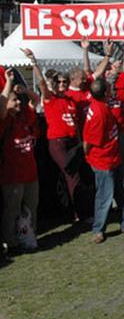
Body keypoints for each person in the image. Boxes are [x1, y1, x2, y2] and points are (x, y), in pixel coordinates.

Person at [21, 48, 87, 222]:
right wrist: (34, 62)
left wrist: (80, 141)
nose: (63, 84)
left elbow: (75, 123)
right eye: (60, 82)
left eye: (65, 81)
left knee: (72, 177)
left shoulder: (70, 101)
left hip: (73, 141)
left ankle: (75, 211)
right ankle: (78, 213)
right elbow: (42, 84)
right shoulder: (50, 99)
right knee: (71, 174)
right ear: (55, 84)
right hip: (57, 142)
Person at [84, 78, 124, 243]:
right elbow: (88, 142)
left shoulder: (101, 106)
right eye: (110, 89)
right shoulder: (99, 114)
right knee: (105, 196)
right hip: (103, 161)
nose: (112, 91)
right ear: (104, 93)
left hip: (114, 157)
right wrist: (89, 158)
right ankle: (98, 229)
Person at [0, 73, 40, 251]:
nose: (17, 103)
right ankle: (11, 242)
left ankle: (30, 237)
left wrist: (24, 90)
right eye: (13, 101)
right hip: (12, 176)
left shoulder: (25, 116)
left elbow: (36, 99)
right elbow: (1, 109)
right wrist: (8, 83)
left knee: (31, 208)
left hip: (30, 173)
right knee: (11, 211)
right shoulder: (4, 121)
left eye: (18, 101)